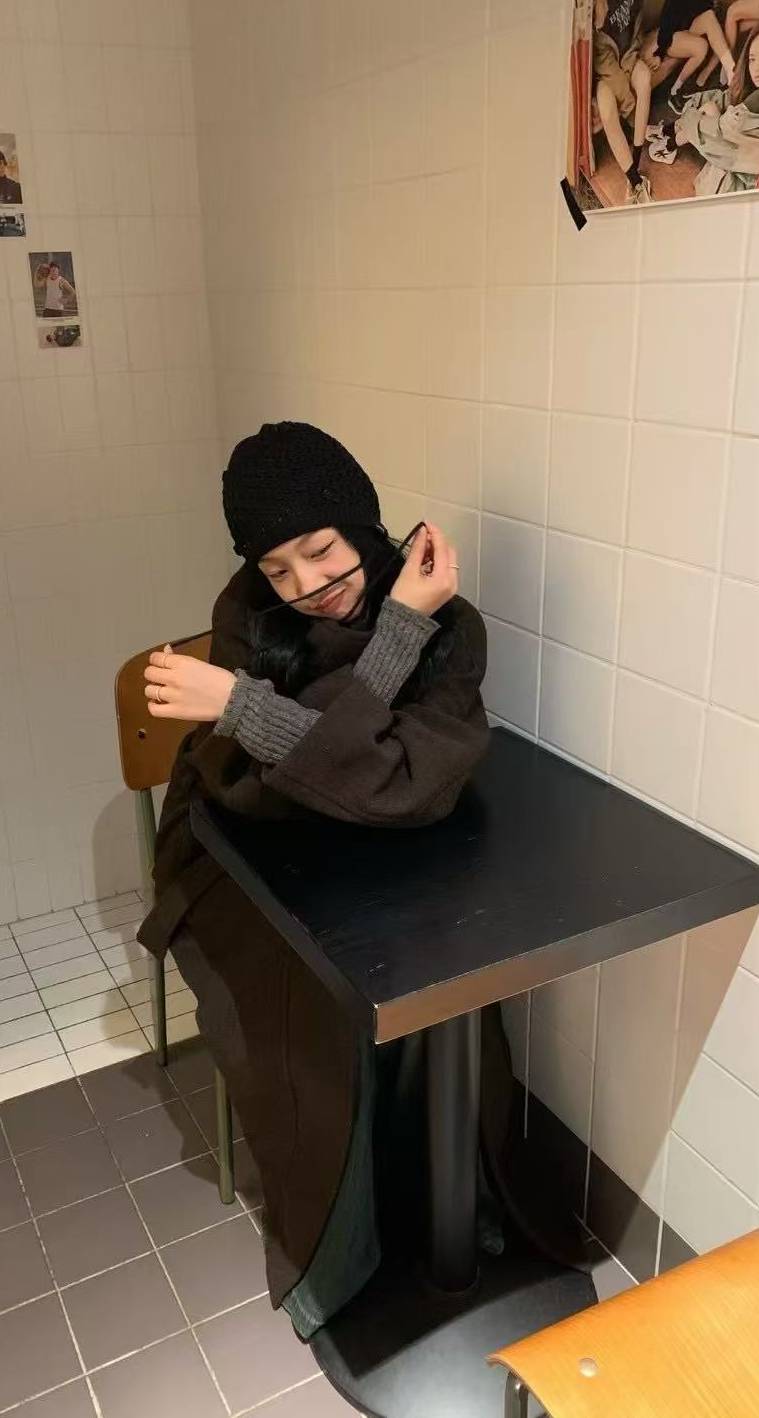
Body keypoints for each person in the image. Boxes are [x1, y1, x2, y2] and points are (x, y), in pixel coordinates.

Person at [138, 422, 590, 1338]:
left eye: (322, 551)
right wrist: (331, 734)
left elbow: (410, 790)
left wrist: (250, 707)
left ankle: (452, 1216)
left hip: (391, 862)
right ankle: (350, 1250)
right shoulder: (247, 613)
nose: (306, 587)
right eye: (277, 569)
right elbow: (249, 791)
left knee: (444, 990)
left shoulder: (445, 624)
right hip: (246, 864)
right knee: (308, 1013)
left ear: (361, 523)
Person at [650, 14, 759, 193]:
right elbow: (726, 101)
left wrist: (692, 117)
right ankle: (670, 133)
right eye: (752, 59)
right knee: (712, 103)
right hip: (741, 146)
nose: (756, 68)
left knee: (706, 113)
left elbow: (720, 134)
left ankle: (670, 142)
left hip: (744, 166)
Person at [593, 0, 654, 203]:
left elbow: (637, 29)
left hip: (628, 57)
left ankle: (635, 164)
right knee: (608, 111)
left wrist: (633, 57)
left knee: (645, 79)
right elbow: (601, 58)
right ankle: (635, 181)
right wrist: (627, 101)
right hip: (604, 71)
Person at [643, 0, 736, 112]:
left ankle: (730, 69)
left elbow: (704, 7)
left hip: (689, 26)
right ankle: (675, 91)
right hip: (671, 35)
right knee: (701, 46)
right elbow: (668, 17)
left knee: (710, 16)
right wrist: (660, 52)